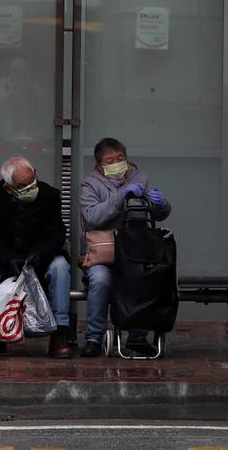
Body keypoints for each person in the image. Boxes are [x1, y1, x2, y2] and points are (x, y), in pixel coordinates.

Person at [0, 157, 76, 359]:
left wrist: (39, 253)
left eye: (32, 180)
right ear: (9, 187)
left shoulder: (49, 195)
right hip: (7, 259)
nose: (30, 186)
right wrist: (9, 258)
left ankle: (60, 333)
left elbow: (56, 234)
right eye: (23, 185)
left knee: (60, 267)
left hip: (41, 257)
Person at [78, 137, 171, 357]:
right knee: (100, 280)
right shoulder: (89, 185)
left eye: (121, 158)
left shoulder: (140, 178)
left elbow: (158, 214)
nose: (117, 163)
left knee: (143, 276)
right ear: (100, 165)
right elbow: (92, 218)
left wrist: (161, 204)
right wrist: (120, 196)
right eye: (111, 160)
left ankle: (138, 336)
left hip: (136, 251)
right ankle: (94, 337)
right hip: (104, 254)